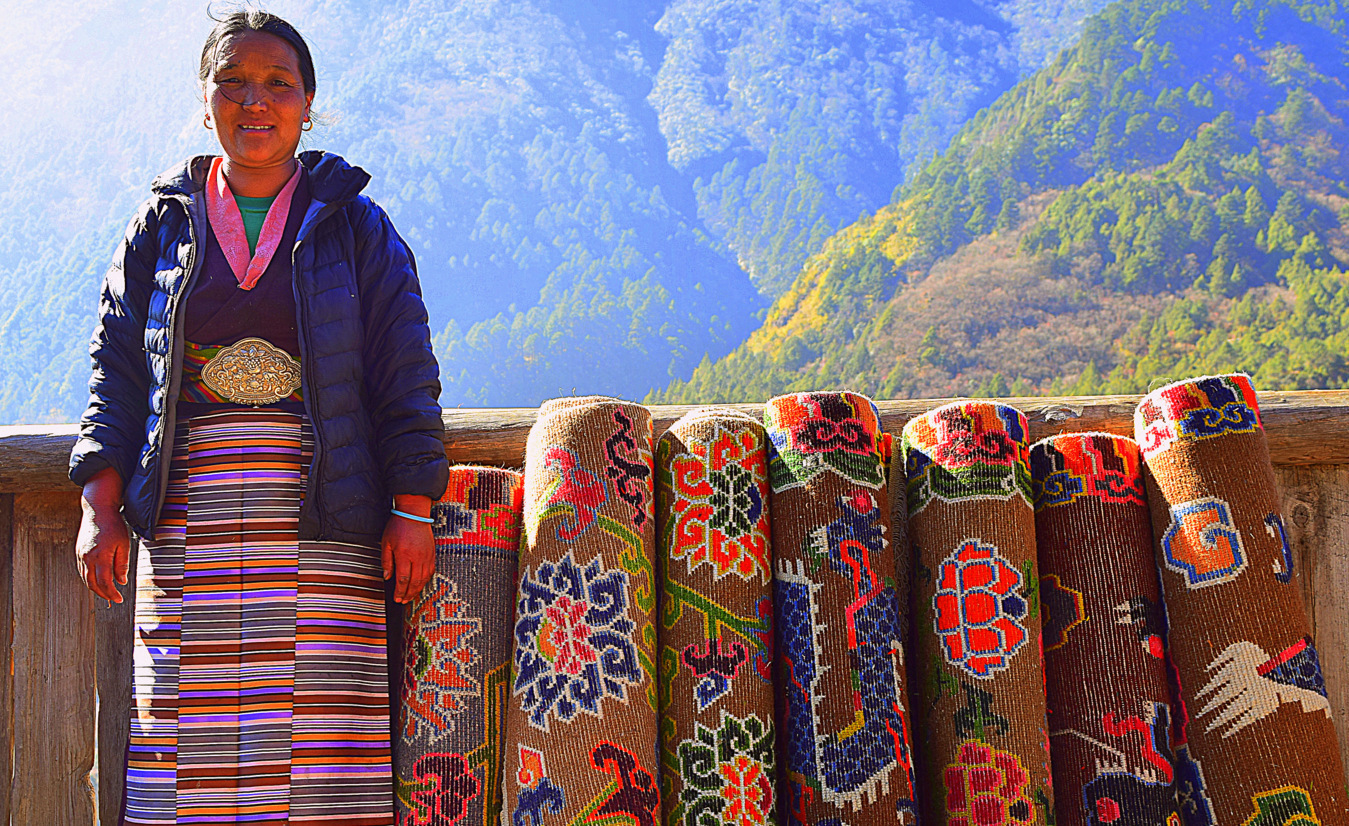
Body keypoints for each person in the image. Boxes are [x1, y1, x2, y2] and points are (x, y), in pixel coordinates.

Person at [68, 10, 448, 824]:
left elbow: (405, 376)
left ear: (309, 104)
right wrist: (100, 504)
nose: (255, 101)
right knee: (185, 727)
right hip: (189, 510)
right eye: (233, 82)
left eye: (278, 84)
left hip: (320, 503)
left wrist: (411, 506)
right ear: (205, 102)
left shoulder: (356, 227)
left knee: (314, 741)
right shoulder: (161, 225)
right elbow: (117, 371)